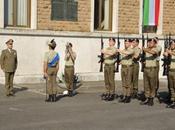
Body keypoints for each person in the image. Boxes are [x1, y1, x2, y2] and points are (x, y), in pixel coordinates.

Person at [140, 39, 158, 106]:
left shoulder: (155, 49)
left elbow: (153, 53)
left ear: (154, 44)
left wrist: (145, 50)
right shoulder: (146, 50)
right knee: (146, 84)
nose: (149, 44)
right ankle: (147, 97)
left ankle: (151, 98)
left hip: (152, 69)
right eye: (149, 42)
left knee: (152, 85)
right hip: (146, 69)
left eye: (151, 43)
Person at [117, 39, 134, 103]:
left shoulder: (131, 50)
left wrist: (120, 51)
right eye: (125, 43)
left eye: (127, 43)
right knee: (123, 82)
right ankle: (124, 95)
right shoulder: (123, 50)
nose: (125, 44)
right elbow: (122, 57)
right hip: (123, 67)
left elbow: (128, 53)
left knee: (128, 82)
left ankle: (128, 96)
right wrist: (120, 62)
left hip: (128, 68)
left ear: (130, 44)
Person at [165, 40, 175, 109]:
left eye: (173, 44)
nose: (172, 45)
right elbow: (165, 54)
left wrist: (170, 52)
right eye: (171, 44)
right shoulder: (169, 51)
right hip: (170, 71)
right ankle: (173, 100)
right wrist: (166, 53)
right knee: (171, 87)